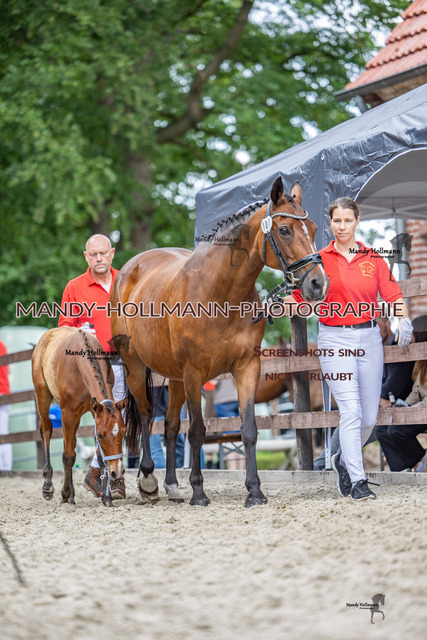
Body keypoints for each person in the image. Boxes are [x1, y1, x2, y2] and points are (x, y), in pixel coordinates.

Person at [285, 197, 413, 500]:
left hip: (369, 338)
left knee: (368, 417)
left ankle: (341, 458)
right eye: (337, 221)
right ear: (330, 223)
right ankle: (358, 481)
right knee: (351, 411)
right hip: (335, 339)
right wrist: (278, 303)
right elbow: (299, 297)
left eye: (347, 220)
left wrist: (403, 318)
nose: (342, 226)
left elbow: (393, 294)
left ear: (357, 221)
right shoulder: (318, 259)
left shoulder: (373, 258)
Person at [58, 234, 127, 499]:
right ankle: (109, 477)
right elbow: (64, 328)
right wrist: (81, 332)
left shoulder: (126, 280)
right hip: (90, 369)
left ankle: (102, 474)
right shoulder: (75, 287)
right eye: (93, 254)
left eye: (103, 253)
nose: (99, 258)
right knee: (103, 420)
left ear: (112, 253)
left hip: (123, 361)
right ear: (86, 257)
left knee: (117, 422)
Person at [312, 315, 414, 469]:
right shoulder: (369, 348)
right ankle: (326, 465)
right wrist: (376, 396)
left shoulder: (396, 346)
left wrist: (375, 395)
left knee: (353, 424)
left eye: (375, 325)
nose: (370, 329)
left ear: (387, 325)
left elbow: (393, 386)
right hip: (379, 404)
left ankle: (327, 465)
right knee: (349, 423)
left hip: (396, 405)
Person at [376, 314, 427, 472]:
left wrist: (410, 410)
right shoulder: (420, 360)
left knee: (397, 430)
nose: (411, 339)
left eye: (413, 335)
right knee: (382, 428)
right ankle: (401, 471)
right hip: (420, 408)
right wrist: (404, 405)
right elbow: (416, 390)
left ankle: (420, 462)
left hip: (424, 409)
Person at [0, 340, 12, 471]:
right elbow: (8, 370)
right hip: (5, 390)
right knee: (4, 431)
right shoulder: (2, 345)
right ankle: (6, 467)